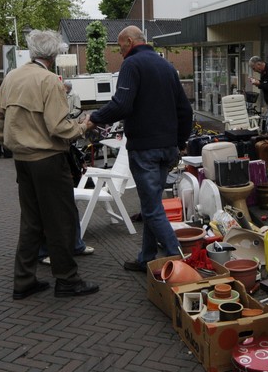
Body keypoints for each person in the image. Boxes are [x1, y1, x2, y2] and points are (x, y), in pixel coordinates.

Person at [0, 29, 99, 299]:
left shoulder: (11, 77)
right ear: (54, 55)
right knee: (60, 220)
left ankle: (24, 280)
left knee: (31, 221)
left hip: (23, 161)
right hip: (49, 161)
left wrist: (13, 144)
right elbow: (58, 127)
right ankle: (67, 280)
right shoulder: (49, 80)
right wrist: (83, 127)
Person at [82, 25, 193, 273]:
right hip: (167, 149)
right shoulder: (167, 66)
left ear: (130, 42)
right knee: (151, 205)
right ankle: (146, 257)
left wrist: (94, 118)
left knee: (152, 209)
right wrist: (180, 142)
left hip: (145, 149)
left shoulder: (132, 64)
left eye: (120, 46)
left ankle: (179, 261)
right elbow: (185, 110)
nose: (120, 52)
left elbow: (122, 105)